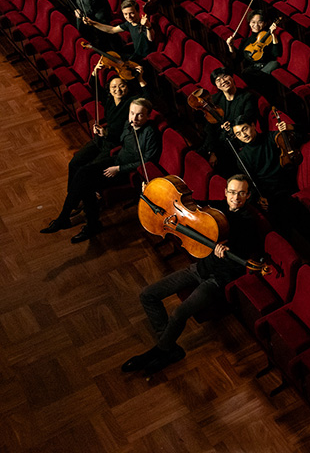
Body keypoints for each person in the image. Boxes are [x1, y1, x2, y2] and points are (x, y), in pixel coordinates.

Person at [123, 175, 263, 376]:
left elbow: (247, 251)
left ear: (248, 195)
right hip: (199, 268)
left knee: (179, 313)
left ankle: (159, 352)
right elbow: (188, 206)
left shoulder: (248, 223)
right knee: (147, 295)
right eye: (232, 192)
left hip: (217, 280)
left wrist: (230, 250)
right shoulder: (215, 209)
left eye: (241, 193)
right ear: (225, 192)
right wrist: (151, 196)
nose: (236, 197)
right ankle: (168, 348)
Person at [42, 69, 146, 236]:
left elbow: (145, 100)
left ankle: (68, 213)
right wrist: (95, 71)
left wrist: (141, 80)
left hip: (113, 148)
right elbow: (94, 87)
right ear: (109, 89)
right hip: (102, 140)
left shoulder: (131, 105)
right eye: (114, 87)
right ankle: (74, 203)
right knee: (75, 163)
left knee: (85, 176)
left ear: (127, 87)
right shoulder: (110, 101)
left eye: (121, 86)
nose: (118, 90)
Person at [62, 97, 161, 243]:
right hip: (116, 161)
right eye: (132, 113)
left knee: (87, 184)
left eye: (140, 115)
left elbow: (147, 161)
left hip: (126, 172)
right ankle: (68, 214)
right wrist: (106, 134)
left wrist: (119, 169)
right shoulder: (129, 124)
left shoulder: (151, 133)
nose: (134, 118)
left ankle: (91, 225)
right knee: (83, 172)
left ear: (148, 115)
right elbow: (120, 142)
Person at [228, 121, 294, 218]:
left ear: (253, 125)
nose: (243, 135)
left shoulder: (271, 137)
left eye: (245, 129)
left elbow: (300, 135)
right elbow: (252, 181)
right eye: (238, 134)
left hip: (285, 183)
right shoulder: (242, 157)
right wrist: (259, 198)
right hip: (267, 191)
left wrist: (289, 127)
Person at [198, 68, 258, 167]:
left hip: (235, 141)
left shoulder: (247, 97)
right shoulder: (215, 100)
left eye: (225, 76)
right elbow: (210, 127)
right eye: (218, 80)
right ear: (216, 85)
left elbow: (248, 118)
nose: (223, 81)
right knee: (197, 157)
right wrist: (212, 151)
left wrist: (232, 126)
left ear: (232, 78)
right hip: (217, 140)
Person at [82, 0, 154, 61]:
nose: (128, 17)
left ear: (138, 11)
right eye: (125, 14)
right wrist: (93, 23)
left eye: (131, 13)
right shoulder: (129, 23)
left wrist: (148, 26)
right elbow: (112, 30)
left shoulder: (144, 23)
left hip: (145, 58)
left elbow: (151, 39)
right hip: (136, 54)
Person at [226, 12, 281, 76]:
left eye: (260, 22)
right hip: (250, 70)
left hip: (264, 69)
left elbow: (276, 54)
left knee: (274, 64)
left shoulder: (269, 37)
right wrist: (230, 46)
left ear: (265, 23)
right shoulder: (245, 41)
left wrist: (273, 35)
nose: (256, 25)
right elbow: (236, 59)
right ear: (249, 23)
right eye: (253, 22)